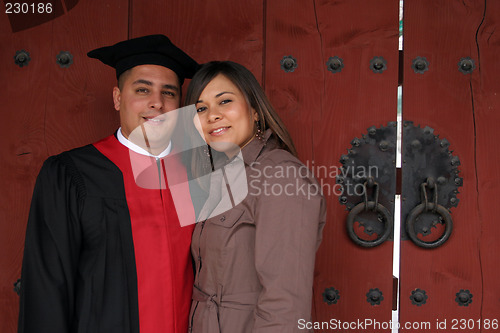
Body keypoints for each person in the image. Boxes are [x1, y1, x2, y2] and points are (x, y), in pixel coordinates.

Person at [17, 34, 199, 333]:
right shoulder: (71, 175)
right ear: (117, 97)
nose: (157, 103)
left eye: (169, 93)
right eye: (143, 89)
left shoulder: (198, 173)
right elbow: (47, 289)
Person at [184, 61, 326, 332]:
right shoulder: (219, 176)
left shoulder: (281, 176)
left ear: (255, 111)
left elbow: (285, 304)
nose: (212, 115)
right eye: (201, 108)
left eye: (224, 101)